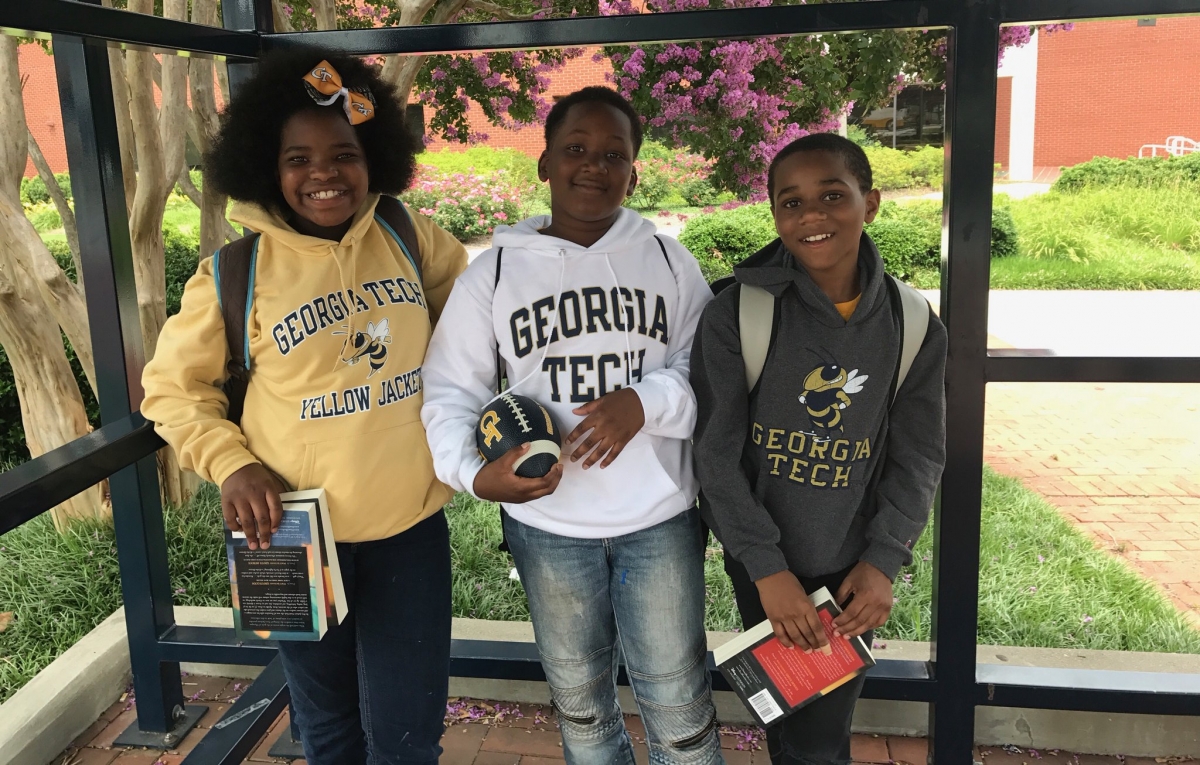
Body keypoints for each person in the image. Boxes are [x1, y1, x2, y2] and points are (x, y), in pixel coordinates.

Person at [140, 48, 467, 765]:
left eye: (344, 153)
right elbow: (170, 389)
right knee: (327, 732)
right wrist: (230, 465)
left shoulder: (408, 238)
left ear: (372, 157)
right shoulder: (235, 272)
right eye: (299, 157)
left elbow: (478, 316)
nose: (324, 173)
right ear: (266, 164)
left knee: (410, 736)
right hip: (287, 535)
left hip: (408, 529)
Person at [421, 86, 723, 765]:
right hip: (548, 527)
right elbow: (448, 390)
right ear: (544, 164)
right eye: (576, 150)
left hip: (659, 517)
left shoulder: (670, 260)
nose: (594, 165)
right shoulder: (493, 272)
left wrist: (644, 402)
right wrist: (473, 474)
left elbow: (710, 373)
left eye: (613, 153)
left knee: (679, 708)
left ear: (636, 171)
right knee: (583, 706)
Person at [691, 133, 947, 765]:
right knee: (792, 725)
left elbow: (919, 456)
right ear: (775, 214)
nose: (812, 215)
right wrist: (766, 570)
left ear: (872, 202)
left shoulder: (912, 324)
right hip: (764, 565)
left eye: (833, 195)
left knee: (817, 740)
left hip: (852, 573)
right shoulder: (736, 315)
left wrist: (885, 561)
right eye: (791, 202)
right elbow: (715, 454)